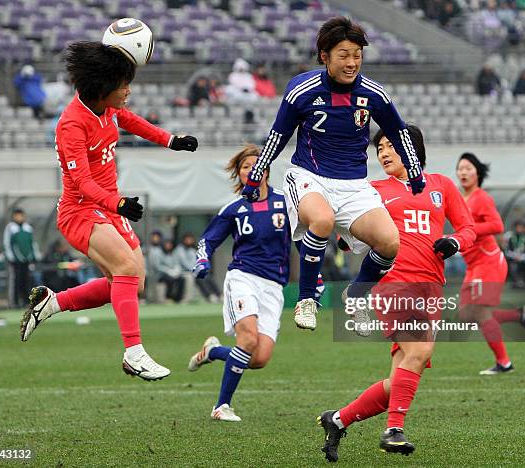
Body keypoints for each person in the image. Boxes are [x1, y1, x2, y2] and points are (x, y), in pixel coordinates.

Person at [19, 40, 198, 381]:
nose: (128, 90)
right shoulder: (71, 124)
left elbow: (129, 120)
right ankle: (134, 352)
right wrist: (118, 203)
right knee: (127, 267)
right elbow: (82, 183)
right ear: (104, 88)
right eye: (123, 85)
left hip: (108, 209)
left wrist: (170, 140)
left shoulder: (106, 109)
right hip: (80, 212)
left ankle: (53, 303)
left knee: (134, 281)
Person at [240, 16, 424, 331]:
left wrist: (414, 169)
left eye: (357, 55)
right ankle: (307, 299)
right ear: (325, 56)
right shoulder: (302, 89)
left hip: (354, 184)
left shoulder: (374, 94)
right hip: (309, 175)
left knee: (390, 243)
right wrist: (258, 172)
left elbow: (399, 130)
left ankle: (357, 296)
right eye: (344, 55)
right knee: (322, 221)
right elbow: (278, 135)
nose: (352, 62)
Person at [317, 125, 476, 461]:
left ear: (413, 148)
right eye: (379, 148)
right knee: (419, 349)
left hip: (430, 287)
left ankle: (338, 419)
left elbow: (469, 228)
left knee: (401, 378)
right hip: (392, 282)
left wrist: (454, 242)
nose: (384, 152)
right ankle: (393, 430)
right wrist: (350, 235)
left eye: (390, 145)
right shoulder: (372, 190)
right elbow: (349, 230)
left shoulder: (441, 186)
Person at [187, 144, 291, 422]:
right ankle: (221, 407)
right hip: (243, 278)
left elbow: (309, 232)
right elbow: (207, 240)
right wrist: (202, 260)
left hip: (274, 286)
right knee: (248, 339)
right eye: (244, 167)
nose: (250, 170)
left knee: (259, 359)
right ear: (239, 173)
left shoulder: (286, 202)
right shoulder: (233, 209)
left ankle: (213, 351)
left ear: (266, 170)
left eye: (255, 166)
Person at [456, 152, 525, 376]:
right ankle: (518, 315)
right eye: (460, 168)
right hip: (474, 265)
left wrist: (469, 231)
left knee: (480, 312)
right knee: (465, 315)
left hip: (488, 261)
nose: (463, 172)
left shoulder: (481, 197)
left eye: (468, 168)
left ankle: (504, 363)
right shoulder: (463, 199)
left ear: (478, 173)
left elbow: (497, 225)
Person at [4, 208, 40, 308]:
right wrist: (11, 257)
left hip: (27, 260)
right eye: (17, 215)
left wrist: (34, 256)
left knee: (27, 280)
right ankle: (14, 302)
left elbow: (32, 243)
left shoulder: (28, 228)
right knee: (16, 280)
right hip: (15, 260)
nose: (19, 217)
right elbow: (7, 243)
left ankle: (25, 301)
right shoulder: (10, 228)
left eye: (21, 215)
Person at [175, 233, 221, 303]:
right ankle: (209, 296)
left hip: (192, 271)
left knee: (207, 276)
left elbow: (196, 262)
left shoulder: (192, 250)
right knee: (199, 276)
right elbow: (184, 263)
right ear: (183, 240)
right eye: (187, 239)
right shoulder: (179, 249)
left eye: (190, 239)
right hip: (182, 271)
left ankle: (219, 294)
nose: (189, 241)